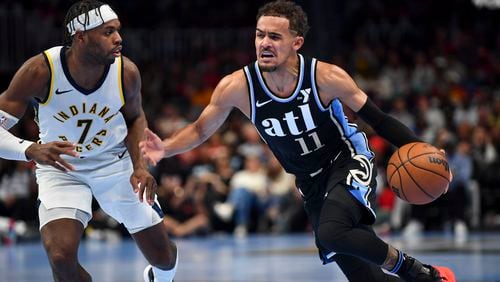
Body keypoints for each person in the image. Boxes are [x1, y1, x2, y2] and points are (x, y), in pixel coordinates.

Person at [140, 1, 455, 281]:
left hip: (345, 159)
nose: (264, 43)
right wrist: (166, 147)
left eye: (274, 37)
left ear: (297, 43)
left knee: (332, 233)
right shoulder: (237, 86)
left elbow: (379, 119)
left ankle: (419, 273)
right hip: (309, 180)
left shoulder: (326, 77)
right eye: (260, 34)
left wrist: (424, 149)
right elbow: (199, 130)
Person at [0, 1, 177, 281]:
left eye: (118, 30)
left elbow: (135, 118)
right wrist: (29, 149)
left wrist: (140, 166)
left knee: (164, 258)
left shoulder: (125, 72)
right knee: (60, 257)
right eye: (108, 32)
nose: (119, 38)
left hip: (115, 166)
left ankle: (159, 276)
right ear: (80, 37)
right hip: (62, 170)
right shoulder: (40, 71)